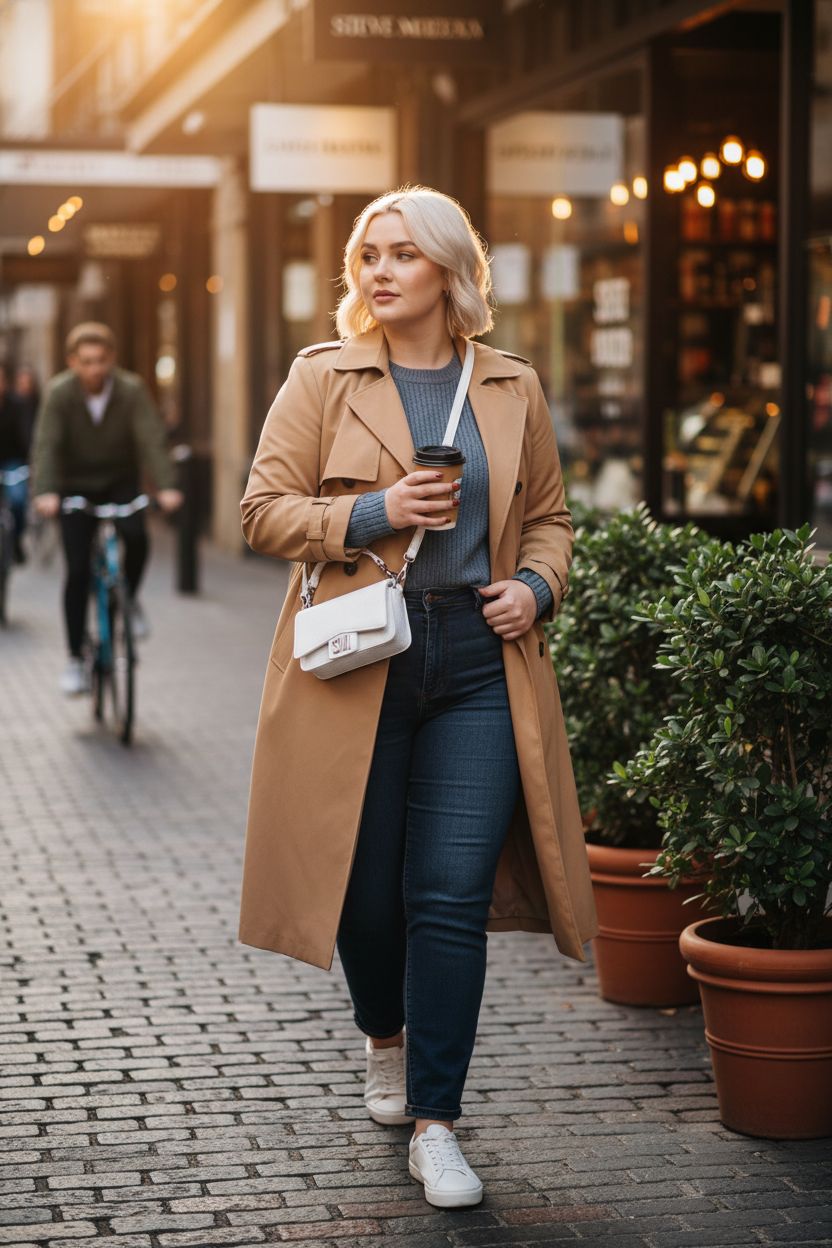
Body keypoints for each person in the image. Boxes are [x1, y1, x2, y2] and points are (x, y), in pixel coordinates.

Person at [238, 187, 597, 1209]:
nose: (379, 270)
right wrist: (374, 511)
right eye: (368, 253)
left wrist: (534, 588)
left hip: (479, 661)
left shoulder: (512, 384)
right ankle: (383, 1037)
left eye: (403, 253)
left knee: (447, 895)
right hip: (358, 660)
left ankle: (436, 1122)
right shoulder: (322, 375)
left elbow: (552, 523)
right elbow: (263, 512)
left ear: (448, 270)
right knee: (360, 888)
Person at [30, 323, 182, 694]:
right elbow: (47, 444)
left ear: (111, 359)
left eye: (101, 361)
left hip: (119, 482)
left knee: (137, 540)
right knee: (78, 570)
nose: (95, 369)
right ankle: (74, 659)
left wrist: (166, 486)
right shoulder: (60, 393)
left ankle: (128, 599)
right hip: (75, 488)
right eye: (86, 362)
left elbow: (150, 438)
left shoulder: (130, 390)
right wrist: (46, 491)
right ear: (73, 362)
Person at [0, 362, 29, 564]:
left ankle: (17, 538)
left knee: (18, 500)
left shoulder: (17, 405)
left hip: (13, 462)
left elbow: (27, 435)